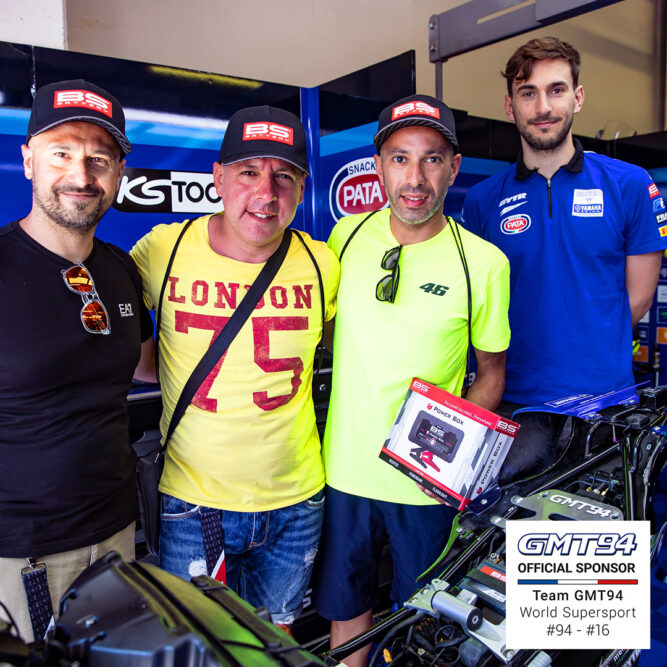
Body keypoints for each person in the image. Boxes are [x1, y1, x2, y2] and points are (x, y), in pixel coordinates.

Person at [311, 94, 511, 666]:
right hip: (344, 473)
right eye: (400, 158)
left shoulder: (484, 263)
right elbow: (325, 335)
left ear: (454, 167)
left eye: (432, 159)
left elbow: (491, 375)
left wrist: (449, 467)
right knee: (346, 612)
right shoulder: (345, 238)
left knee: (423, 623)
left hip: (425, 488)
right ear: (379, 166)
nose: (415, 178)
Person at [130, 105, 340, 631]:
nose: (266, 193)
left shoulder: (324, 263)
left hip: (296, 502)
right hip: (193, 503)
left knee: (275, 643)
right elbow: (123, 350)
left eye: (284, 176)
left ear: (302, 188)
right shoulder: (163, 250)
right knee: (202, 645)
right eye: (248, 172)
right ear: (218, 178)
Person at [461, 37, 667, 481]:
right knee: (508, 528)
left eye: (556, 90)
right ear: (510, 106)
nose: (543, 107)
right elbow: (476, 305)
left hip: (605, 407)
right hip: (515, 406)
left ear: (578, 97)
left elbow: (638, 299)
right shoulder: (482, 200)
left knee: (608, 528)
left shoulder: (630, 184)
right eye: (527, 93)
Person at [0, 79, 154, 642]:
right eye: (61, 153)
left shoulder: (120, 268)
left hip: (115, 535)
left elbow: (144, 366)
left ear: (119, 173)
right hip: (19, 553)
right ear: (28, 161)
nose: (81, 175)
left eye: (99, 159)